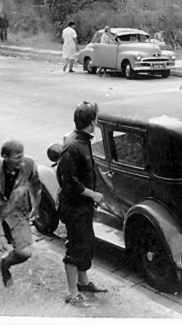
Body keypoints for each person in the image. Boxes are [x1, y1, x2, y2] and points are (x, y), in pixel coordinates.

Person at [57, 101, 107, 307]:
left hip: (82, 206)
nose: (97, 121)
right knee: (76, 247)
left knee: (86, 242)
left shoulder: (82, 140)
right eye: (96, 117)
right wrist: (92, 194)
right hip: (74, 207)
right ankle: (72, 292)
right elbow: (68, 181)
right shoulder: (73, 146)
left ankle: (83, 282)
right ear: (91, 122)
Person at [0, 138, 41, 287]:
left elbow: (36, 184)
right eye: (17, 157)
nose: (21, 160)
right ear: (5, 157)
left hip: (16, 215)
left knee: (25, 252)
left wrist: (36, 206)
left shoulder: (29, 164)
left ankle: (4, 265)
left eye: (22, 155)